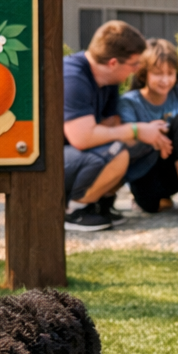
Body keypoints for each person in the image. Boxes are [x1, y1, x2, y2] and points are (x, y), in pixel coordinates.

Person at [63, 20, 163, 232]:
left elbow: (110, 125)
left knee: (144, 146)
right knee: (116, 151)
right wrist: (136, 129)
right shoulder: (73, 77)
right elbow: (81, 137)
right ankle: (74, 210)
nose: (137, 71)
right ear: (113, 63)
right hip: (54, 160)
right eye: (134, 65)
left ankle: (100, 202)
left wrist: (147, 133)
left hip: (80, 156)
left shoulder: (108, 80)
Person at [118, 38, 178, 219]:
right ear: (144, 74)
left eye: (171, 73)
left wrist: (166, 134)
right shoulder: (129, 102)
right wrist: (148, 134)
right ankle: (158, 198)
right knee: (154, 205)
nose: (165, 80)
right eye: (158, 73)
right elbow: (124, 144)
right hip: (147, 174)